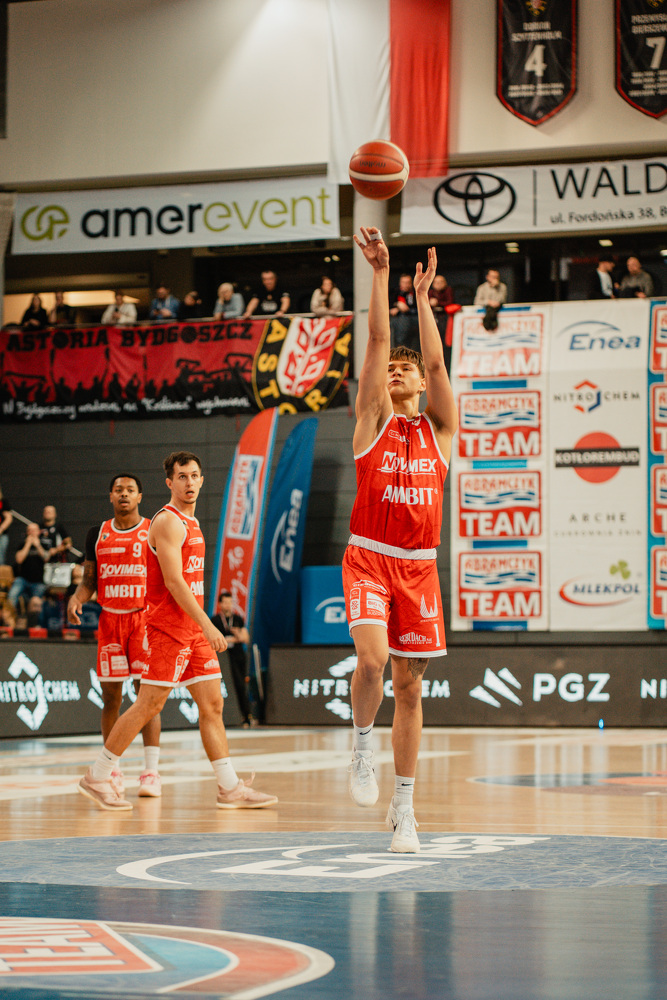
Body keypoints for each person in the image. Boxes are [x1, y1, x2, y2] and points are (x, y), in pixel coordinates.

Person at [343, 227, 458, 854]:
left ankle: (405, 807)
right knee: (373, 661)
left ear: (418, 384)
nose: (394, 372)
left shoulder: (440, 432)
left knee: (410, 687)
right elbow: (377, 342)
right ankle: (362, 747)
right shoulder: (371, 422)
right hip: (368, 557)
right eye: (390, 371)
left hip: (419, 568)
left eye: (403, 370)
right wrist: (382, 274)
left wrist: (422, 298)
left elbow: (437, 364)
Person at [78, 452, 278, 811]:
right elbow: (173, 582)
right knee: (148, 704)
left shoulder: (192, 521)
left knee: (212, 704)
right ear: (169, 482)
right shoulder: (168, 522)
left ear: (202, 480)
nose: (189, 482)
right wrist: (208, 624)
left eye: (194, 475)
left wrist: (200, 627)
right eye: (182, 476)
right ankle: (99, 774)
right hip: (169, 628)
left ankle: (229, 787)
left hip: (192, 630)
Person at [210, 590, 255, 728]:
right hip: (223, 657)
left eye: (230, 602)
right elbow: (214, 639)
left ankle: (246, 716)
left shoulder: (238, 619)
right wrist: (234, 638)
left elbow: (245, 638)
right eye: (225, 602)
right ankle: (227, 717)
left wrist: (237, 635)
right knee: (226, 686)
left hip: (238, 656)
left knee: (241, 685)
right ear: (220, 604)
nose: (228, 605)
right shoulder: (215, 620)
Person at [8, 522, 49, 610]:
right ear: (27, 532)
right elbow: (19, 560)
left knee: (37, 603)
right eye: (29, 530)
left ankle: (35, 619)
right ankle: (9, 617)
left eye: (34, 530)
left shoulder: (44, 544)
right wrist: (27, 544)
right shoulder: (22, 545)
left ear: (38, 532)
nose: (32, 532)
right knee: (12, 596)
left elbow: (46, 558)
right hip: (23, 579)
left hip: (38, 581)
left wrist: (38, 545)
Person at [389, 273, 419, 349]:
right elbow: (389, 307)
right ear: (400, 283)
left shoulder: (416, 293)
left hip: (414, 321)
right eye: (404, 282)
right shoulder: (394, 292)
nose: (406, 285)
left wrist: (406, 309)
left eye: (408, 282)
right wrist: (397, 305)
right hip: (399, 323)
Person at [0, 485, 13, 566]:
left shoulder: (3, 502)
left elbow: (9, 518)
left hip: (1, 535)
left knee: (0, 559)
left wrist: (1, 529)